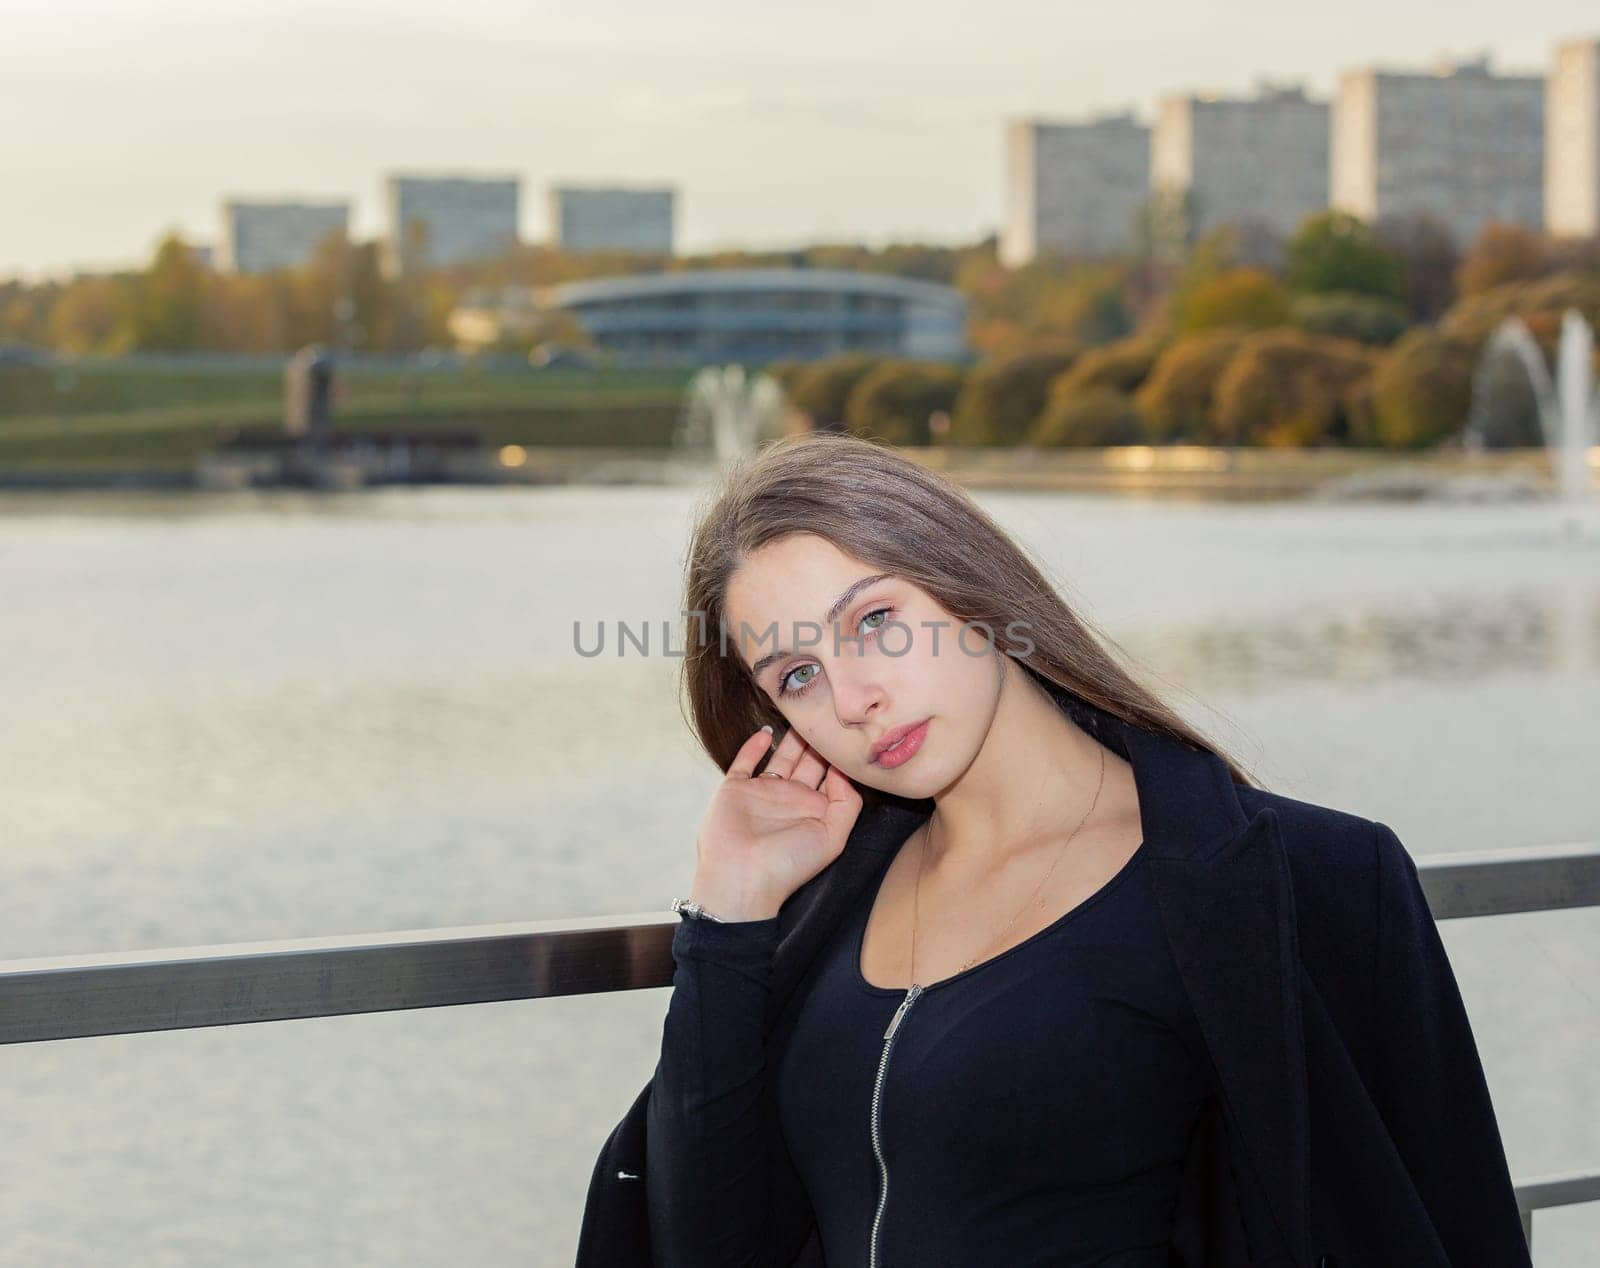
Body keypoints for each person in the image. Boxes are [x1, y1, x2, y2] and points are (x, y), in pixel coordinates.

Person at [576, 434, 1531, 1268]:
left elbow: (1447, 1225)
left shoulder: (1302, 883)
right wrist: (732, 912)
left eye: (874, 621)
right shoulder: (817, 917)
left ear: (972, 587)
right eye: (797, 674)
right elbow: (709, 1244)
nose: (854, 696)